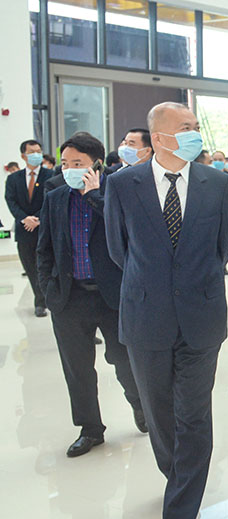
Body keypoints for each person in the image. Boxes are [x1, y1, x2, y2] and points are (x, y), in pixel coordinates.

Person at [105, 101, 228, 519]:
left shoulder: (217, 183)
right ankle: (178, 477)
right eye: (186, 127)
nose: (195, 133)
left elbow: (223, 247)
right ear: (159, 137)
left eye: (196, 126)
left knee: (194, 415)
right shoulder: (123, 184)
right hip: (146, 315)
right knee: (159, 413)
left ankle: (182, 512)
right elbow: (119, 250)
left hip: (202, 315)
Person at [35, 131, 146, 457]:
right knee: (77, 368)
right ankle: (90, 429)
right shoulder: (55, 195)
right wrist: (48, 289)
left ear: (97, 163)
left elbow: (129, 234)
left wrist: (94, 195)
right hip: (70, 297)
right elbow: (45, 248)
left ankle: (141, 406)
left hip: (114, 296)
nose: (69, 169)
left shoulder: (117, 189)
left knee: (124, 359)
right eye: (65, 163)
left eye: (78, 163)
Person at [5, 139, 51, 316]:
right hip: (24, 230)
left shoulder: (50, 175)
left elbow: (50, 199)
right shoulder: (13, 179)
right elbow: (11, 201)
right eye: (32, 152)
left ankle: (42, 301)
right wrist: (24, 218)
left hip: (44, 229)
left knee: (44, 266)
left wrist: (37, 218)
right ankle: (40, 298)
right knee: (30, 267)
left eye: (38, 151)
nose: (36, 155)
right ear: (23, 156)